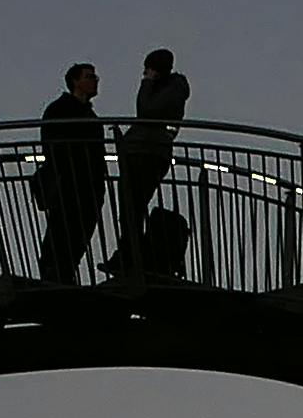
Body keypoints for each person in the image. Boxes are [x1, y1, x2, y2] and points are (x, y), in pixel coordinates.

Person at [34, 62, 110, 285]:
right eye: (89, 76)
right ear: (75, 81)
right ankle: (54, 275)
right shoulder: (60, 109)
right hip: (70, 182)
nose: (95, 80)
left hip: (90, 185)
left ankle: (62, 275)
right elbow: (51, 145)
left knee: (78, 235)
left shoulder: (89, 115)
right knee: (62, 231)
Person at [121, 48, 191, 261]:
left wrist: (147, 83)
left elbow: (146, 110)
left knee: (134, 205)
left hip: (149, 153)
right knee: (128, 207)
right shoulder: (167, 88)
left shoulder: (174, 87)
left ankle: (131, 253)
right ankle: (128, 250)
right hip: (139, 151)